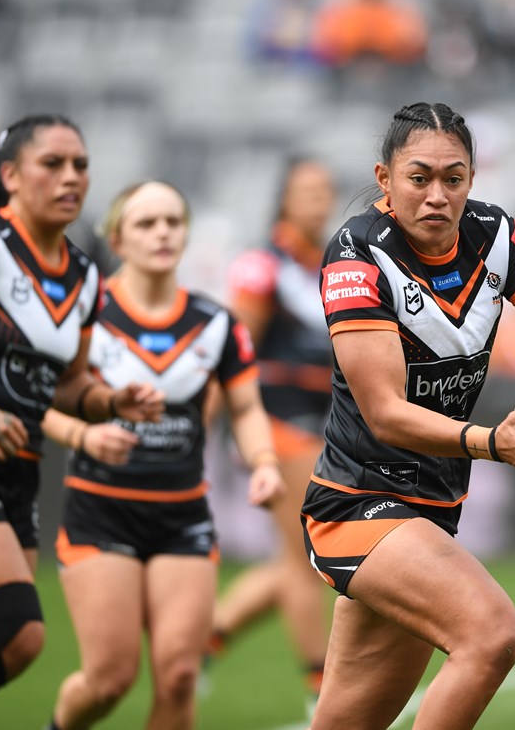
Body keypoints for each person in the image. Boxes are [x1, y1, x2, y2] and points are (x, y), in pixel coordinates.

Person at [300, 102, 515, 730]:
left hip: (431, 511)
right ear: (385, 179)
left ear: (472, 181)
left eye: (453, 179)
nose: (437, 195)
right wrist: (492, 443)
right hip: (357, 505)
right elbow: (384, 415)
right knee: (491, 634)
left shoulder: (496, 234)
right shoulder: (356, 254)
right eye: (418, 177)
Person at [0, 114, 164, 730]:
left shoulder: (84, 275)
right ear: (11, 177)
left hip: (15, 474)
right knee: (14, 636)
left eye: (80, 164)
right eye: (52, 163)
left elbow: (68, 384)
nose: (71, 176)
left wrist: (109, 401)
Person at [40, 180, 284, 730]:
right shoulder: (84, 315)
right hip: (99, 512)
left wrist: (264, 463)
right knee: (109, 679)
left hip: (182, 516)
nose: (163, 233)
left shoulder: (216, 323)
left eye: (173, 221)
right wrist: (83, 436)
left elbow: (245, 409)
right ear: (118, 238)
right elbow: (35, 402)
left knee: (178, 677)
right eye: (147, 223)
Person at [209, 157, 336, 707]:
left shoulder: (332, 264)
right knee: (309, 556)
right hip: (277, 426)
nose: (318, 201)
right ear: (283, 199)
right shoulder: (263, 267)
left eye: (325, 191)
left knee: (292, 557)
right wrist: (206, 426)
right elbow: (233, 353)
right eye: (306, 191)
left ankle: (198, 644)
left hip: (324, 426)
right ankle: (322, 689)